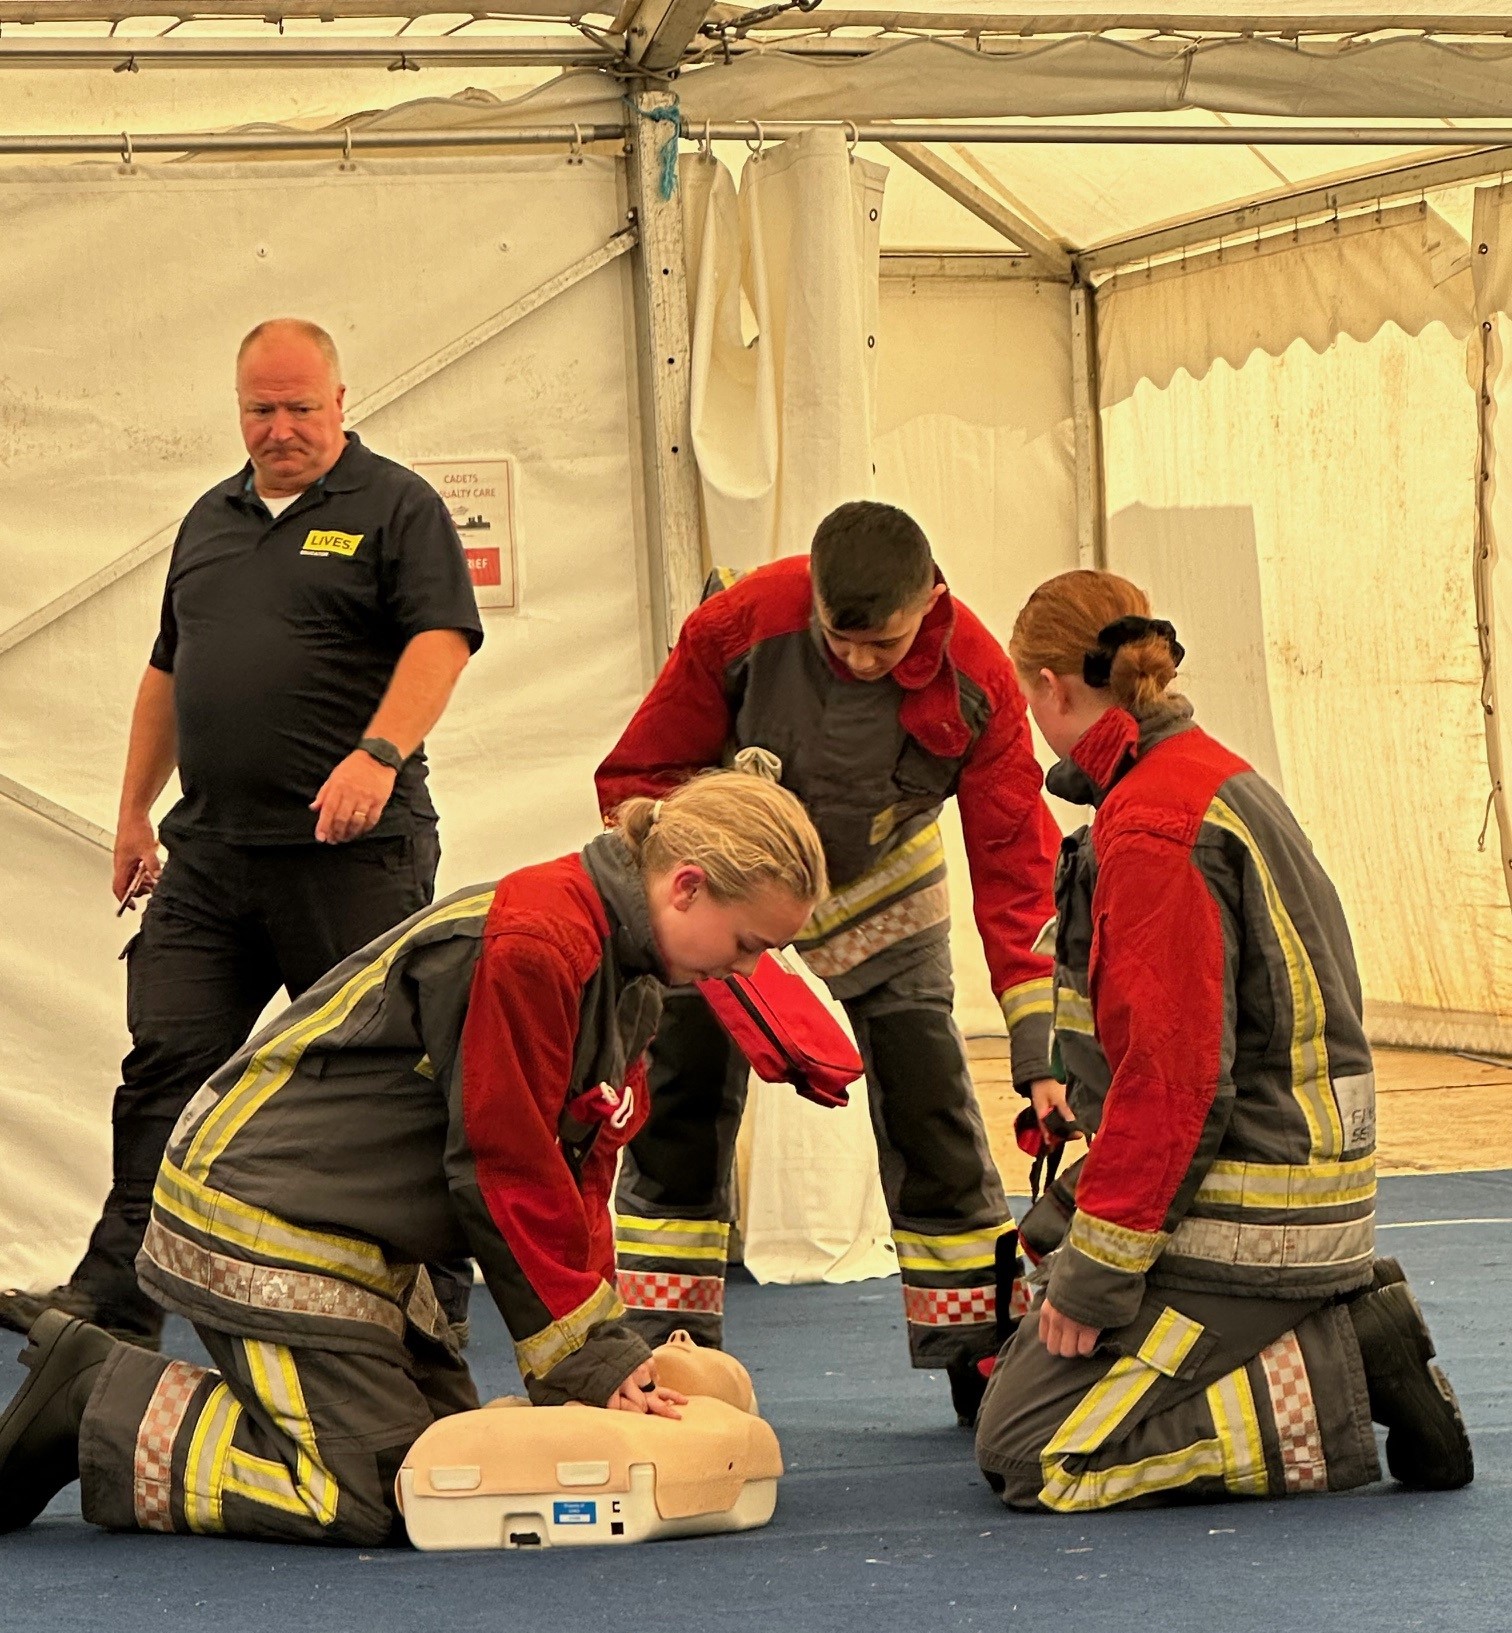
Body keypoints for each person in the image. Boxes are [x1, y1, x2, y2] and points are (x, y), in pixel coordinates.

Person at [0, 772, 827, 1546]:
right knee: (374, 1493)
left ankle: (143, 1395)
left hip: (359, 1232)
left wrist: (602, 1350)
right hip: (261, 1212)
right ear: (686, 887)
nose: (748, 969)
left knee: (450, 1471)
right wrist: (586, 1359)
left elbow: (577, 1173)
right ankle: (99, 1398)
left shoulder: (630, 971)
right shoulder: (541, 940)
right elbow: (506, 1166)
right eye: (748, 942)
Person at [3, 318, 482, 1349]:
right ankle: (112, 1304)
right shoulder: (209, 520)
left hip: (351, 859)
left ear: (341, 401)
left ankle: (425, 1300)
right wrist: (132, 813)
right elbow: (168, 671)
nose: (280, 429)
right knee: (165, 1066)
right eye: (260, 410)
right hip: (211, 857)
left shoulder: (397, 506)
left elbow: (442, 640)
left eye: (300, 408)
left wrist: (379, 754)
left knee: (380, 1075)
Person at [973, 570, 1473, 1510]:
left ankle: (1342, 1363)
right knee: (1042, 1282)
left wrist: (1094, 1281)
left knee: (1029, 1449)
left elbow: (1174, 1085)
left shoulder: (1153, 825)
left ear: (1047, 686)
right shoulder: (1203, 776)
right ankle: (1324, 1324)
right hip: (1286, 1183)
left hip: (1250, 1220)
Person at [595, 501, 1064, 1378]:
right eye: (836, 640)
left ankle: (976, 1346)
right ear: (810, 592)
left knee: (930, 1102)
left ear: (930, 600)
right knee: (679, 1096)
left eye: (881, 646)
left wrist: (1043, 1053)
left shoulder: (981, 680)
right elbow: (639, 776)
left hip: (884, 890)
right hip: (734, 881)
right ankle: (664, 1345)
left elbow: (1016, 868)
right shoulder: (740, 621)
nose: (858, 662)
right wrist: (694, 888)